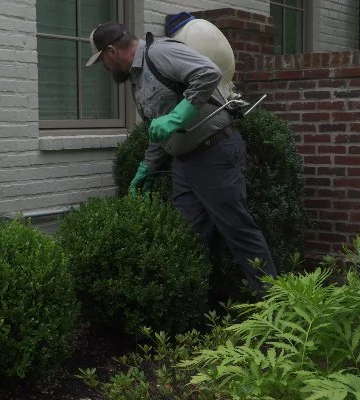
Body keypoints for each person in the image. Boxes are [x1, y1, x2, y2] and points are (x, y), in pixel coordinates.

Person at [84, 21, 277, 299]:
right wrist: (145, 168)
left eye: (102, 60)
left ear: (112, 51)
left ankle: (276, 308)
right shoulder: (137, 78)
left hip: (214, 154)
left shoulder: (159, 54)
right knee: (189, 240)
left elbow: (209, 73)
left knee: (239, 233)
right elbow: (157, 128)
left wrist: (177, 117)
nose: (105, 68)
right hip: (184, 165)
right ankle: (200, 319)